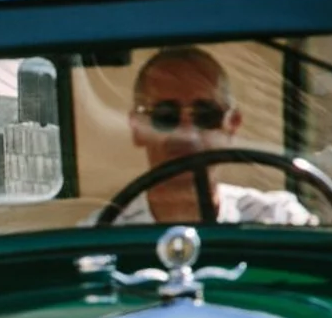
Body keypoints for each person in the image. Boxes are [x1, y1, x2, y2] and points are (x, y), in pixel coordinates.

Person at [105, 46, 318, 225]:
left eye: (206, 116)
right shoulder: (104, 234)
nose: (187, 133)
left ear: (232, 125)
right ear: (137, 128)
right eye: (166, 115)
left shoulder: (278, 219)